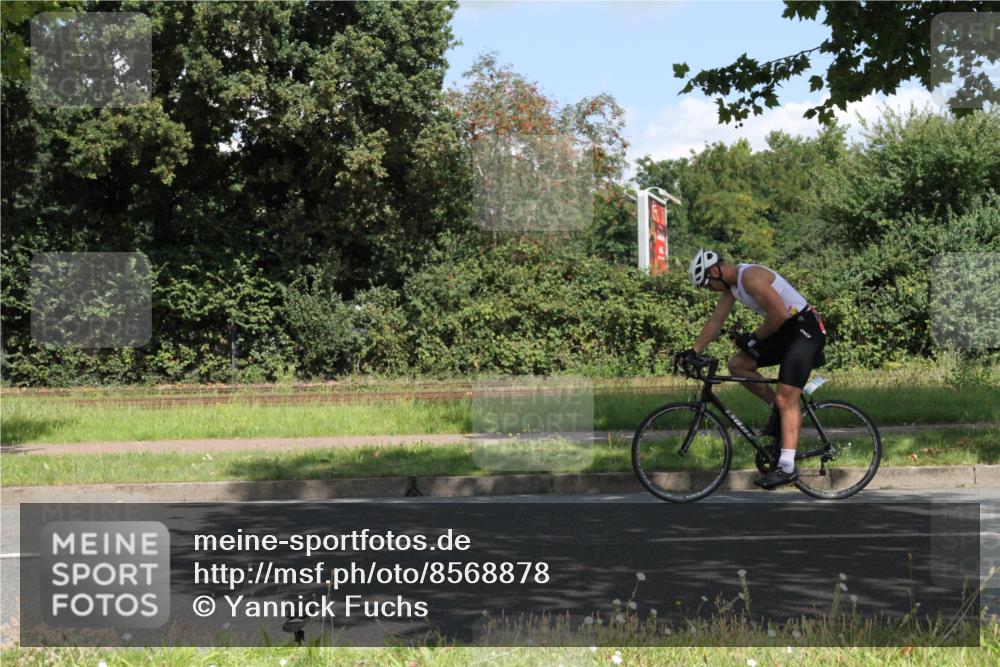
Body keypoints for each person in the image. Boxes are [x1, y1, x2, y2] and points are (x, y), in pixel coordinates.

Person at [681, 249, 826, 488]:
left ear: (715, 271)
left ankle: (787, 467)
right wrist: (693, 351)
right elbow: (716, 320)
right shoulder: (732, 288)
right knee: (738, 365)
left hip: (804, 330)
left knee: (787, 398)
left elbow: (779, 314)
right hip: (786, 332)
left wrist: (752, 338)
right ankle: (778, 412)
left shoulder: (750, 277)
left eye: (707, 284)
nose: (709, 289)